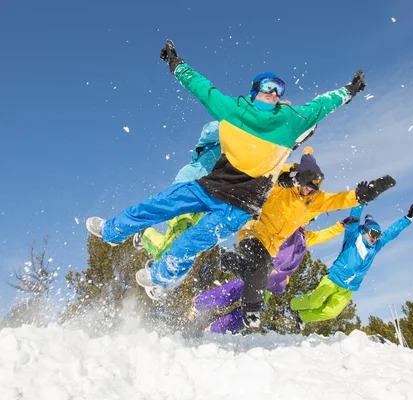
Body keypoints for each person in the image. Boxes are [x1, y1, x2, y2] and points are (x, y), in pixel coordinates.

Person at [85, 39, 367, 323]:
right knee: (156, 205)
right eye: (267, 86)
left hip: (237, 208)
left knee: (190, 243)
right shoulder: (234, 110)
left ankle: (159, 277)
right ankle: (112, 231)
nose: (273, 93)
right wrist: (175, 63)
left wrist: (350, 90)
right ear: (255, 91)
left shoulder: (290, 121)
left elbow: (323, 105)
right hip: (208, 187)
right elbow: (202, 88)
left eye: (279, 89)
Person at [219, 147, 396, 327]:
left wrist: (362, 195)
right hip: (253, 232)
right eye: (304, 185)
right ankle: (251, 309)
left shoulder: (315, 203)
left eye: (311, 188)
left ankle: (228, 260)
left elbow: (339, 200)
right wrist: (289, 176)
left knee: (260, 272)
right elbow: (267, 175)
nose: (306, 190)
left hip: (271, 247)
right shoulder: (282, 186)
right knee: (262, 268)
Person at [189, 217, 357, 334]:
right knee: (230, 293)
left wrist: (340, 225)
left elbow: (323, 235)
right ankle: (198, 304)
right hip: (261, 273)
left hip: (274, 283)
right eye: (305, 217)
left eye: (310, 219)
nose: (306, 222)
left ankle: (214, 331)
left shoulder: (305, 238)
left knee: (247, 312)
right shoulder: (285, 228)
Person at [284, 203, 413, 329]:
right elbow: (354, 218)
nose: (376, 238)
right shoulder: (353, 235)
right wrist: (361, 202)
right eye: (373, 233)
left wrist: (407, 219)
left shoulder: (376, 246)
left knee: (331, 312)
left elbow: (391, 232)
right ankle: (291, 305)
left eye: (378, 235)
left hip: (349, 287)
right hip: (334, 278)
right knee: (314, 302)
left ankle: (301, 317)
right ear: (365, 231)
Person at [133, 121, 221, 261]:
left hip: (202, 204)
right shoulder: (219, 140)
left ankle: (151, 246)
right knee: (183, 235)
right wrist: (232, 126)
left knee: (190, 246)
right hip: (185, 190)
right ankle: (151, 245)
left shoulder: (239, 156)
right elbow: (208, 131)